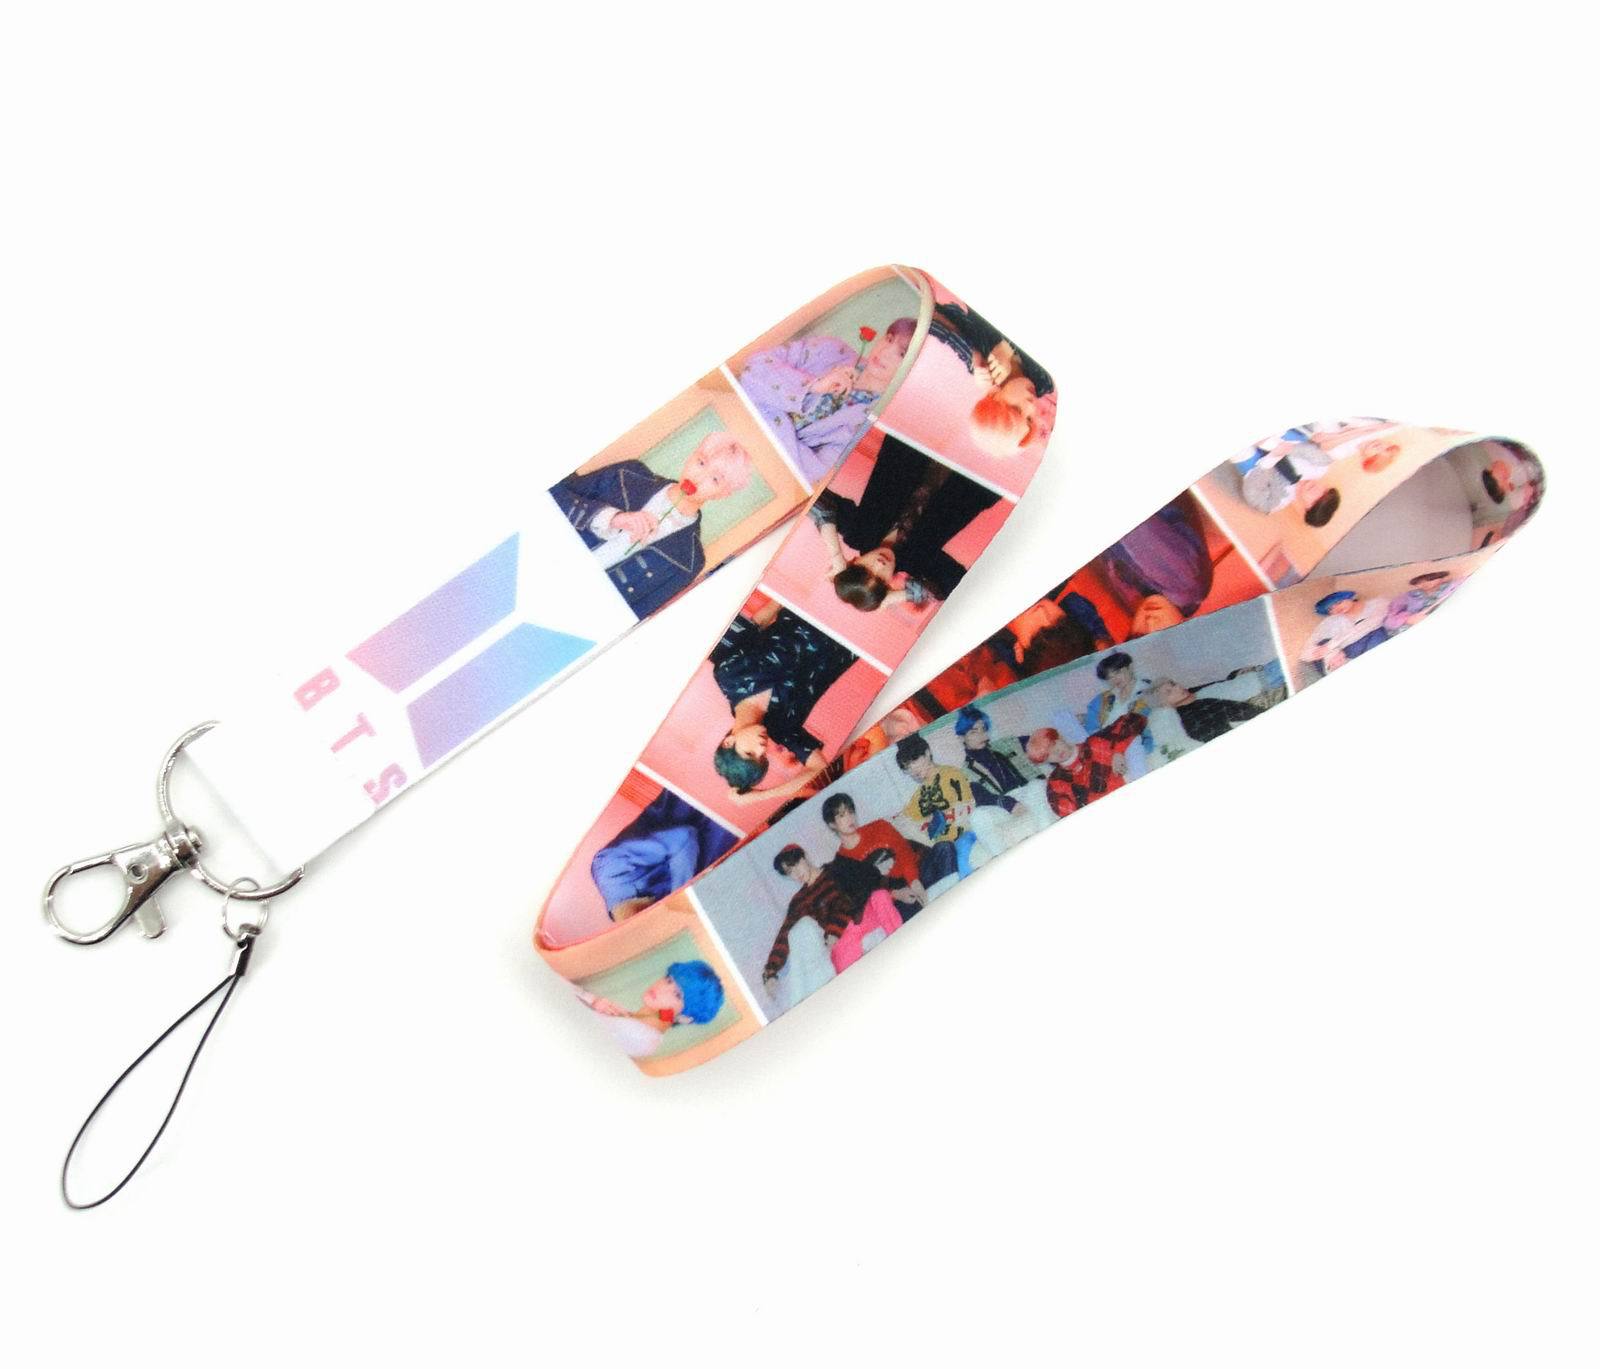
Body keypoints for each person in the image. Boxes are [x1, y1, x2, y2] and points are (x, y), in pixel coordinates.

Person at [550, 432, 753, 618]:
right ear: (691, 456)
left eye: (715, 479)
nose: (698, 478)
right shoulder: (629, 474)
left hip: (576, 614)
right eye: (701, 462)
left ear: (724, 494)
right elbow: (554, 495)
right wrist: (612, 518)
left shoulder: (690, 560)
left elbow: (633, 616)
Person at [810, 434, 1001, 612]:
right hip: (978, 476)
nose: (879, 565)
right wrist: (894, 597)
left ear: (854, 561)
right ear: (888, 584)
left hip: (918, 437)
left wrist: (836, 558)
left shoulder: (858, 533)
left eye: (866, 569)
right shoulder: (916, 562)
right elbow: (957, 584)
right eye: (880, 579)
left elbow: (813, 499)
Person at [709, 598, 858, 805]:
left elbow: (757, 625)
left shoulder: (728, 675)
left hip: (814, 605)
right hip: (853, 637)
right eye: (762, 757)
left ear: (729, 742)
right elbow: (819, 770)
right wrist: (761, 795)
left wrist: (793, 595)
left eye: (750, 753)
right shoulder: (782, 729)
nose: (762, 749)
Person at [737, 318, 917, 483]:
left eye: (902, 354)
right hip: (732, 415)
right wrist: (813, 386)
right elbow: (754, 365)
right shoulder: (831, 349)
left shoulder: (869, 425)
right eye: (889, 339)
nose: (885, 352)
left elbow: (811, 472)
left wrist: (768, 407)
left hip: (759, 471)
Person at [927, 295, 1056, 458]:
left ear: (994, 396)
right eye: (1030, 419)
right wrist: (1007, 347)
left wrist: (974, 354)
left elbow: (934, 319)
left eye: (1017, 409)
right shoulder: (1044, 380)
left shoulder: (983, 363)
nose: (1031, 406)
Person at [763, 845, 903, 991]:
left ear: (804, 857)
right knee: (854, 983)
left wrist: (896, 892)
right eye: (790, 872)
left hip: (862, 917)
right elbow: (785, 934)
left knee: (880, 895)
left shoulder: (836, 869)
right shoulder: (800, 900)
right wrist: (770, 971)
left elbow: (867, 883)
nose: (796, 874)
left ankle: (902, 946)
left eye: (796, 864)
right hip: (842, 938)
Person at [589, 788, 739, 922]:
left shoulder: (608, 870)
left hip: (702, 789)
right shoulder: (661, 911)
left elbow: (684, 837)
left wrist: (679, 896)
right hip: (734, 821)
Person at [1095, 493, 1216, 637]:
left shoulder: (1140, 597)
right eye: (1163, 635)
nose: (1150, 622)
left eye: (1139, 635)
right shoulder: (1183, 587)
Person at [576, 960, 726, 1058]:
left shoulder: (640, 1036)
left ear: (685, 1017)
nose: (662, 988)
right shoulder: (636, 1023)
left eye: (677, 995)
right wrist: (593, 1002)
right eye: (669, 980)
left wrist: (590, 1003)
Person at [953, 705, 1051, 853]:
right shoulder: (964, 772)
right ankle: (1002, 856)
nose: (982, 736)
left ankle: (1048, 838)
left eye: (983, 729)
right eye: (974, 732)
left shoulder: (1007, 744)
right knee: (977, 817)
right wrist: (1008, 803)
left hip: (1029, 792)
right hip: (1002, 805)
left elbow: (1041, 740)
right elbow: (981, 797)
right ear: (961, 738)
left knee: (1037, 785)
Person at [821, 791, 929, 916]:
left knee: (944, 849)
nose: (850, 818)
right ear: (832, 824)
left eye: (851, 812)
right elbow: (864, 895)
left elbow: (904, 853)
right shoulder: (842, 863)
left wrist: (914, 881)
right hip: (895, 898)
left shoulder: (879, 827)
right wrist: (896, 895)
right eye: (842, 815)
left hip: (917, 875)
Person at [1025, 712, 1149, 818]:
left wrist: (1118, 751)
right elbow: (1069, 818)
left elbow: (1136, 719)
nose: (1056, 752)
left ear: (1060, 737)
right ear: (1046, 761)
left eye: (1053, 745)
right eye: (1048, 755)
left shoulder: (1095, 744)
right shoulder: (1056, 783)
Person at [894, 734, 979, 885]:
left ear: (927, 753)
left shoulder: (950, 774)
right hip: (937, 848)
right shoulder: (919, 794)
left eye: (915, 760)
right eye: (907, 767)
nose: (912, 769)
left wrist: (938, 818)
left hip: (960, 837)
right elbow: (901, 822)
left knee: (958, 852)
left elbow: (968, 807)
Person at [1083, 651, 1155, 779]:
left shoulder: (1149, 691)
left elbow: (1140, 728)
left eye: (1117, 672)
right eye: (1109, 677)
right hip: (1105, 748)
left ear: (1130, 667)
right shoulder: (1101, 700)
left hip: (1135, 745)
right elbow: (1091, 730)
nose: (1115, 680)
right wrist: (1109, 751)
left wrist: (1118, 750)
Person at [1299, 589, 1391, 674]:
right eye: (1330, 609)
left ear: (1350, 597)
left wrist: (1330, 646)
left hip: (1375, 642)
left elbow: (1370, 625)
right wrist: (1330, 654)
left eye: (1338, 602)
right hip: (1344, 654)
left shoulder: (1378, 603)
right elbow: (1306, 651)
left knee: (1378, 632)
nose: (1336, 609)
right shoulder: (1331, 621)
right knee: (1323, 644)